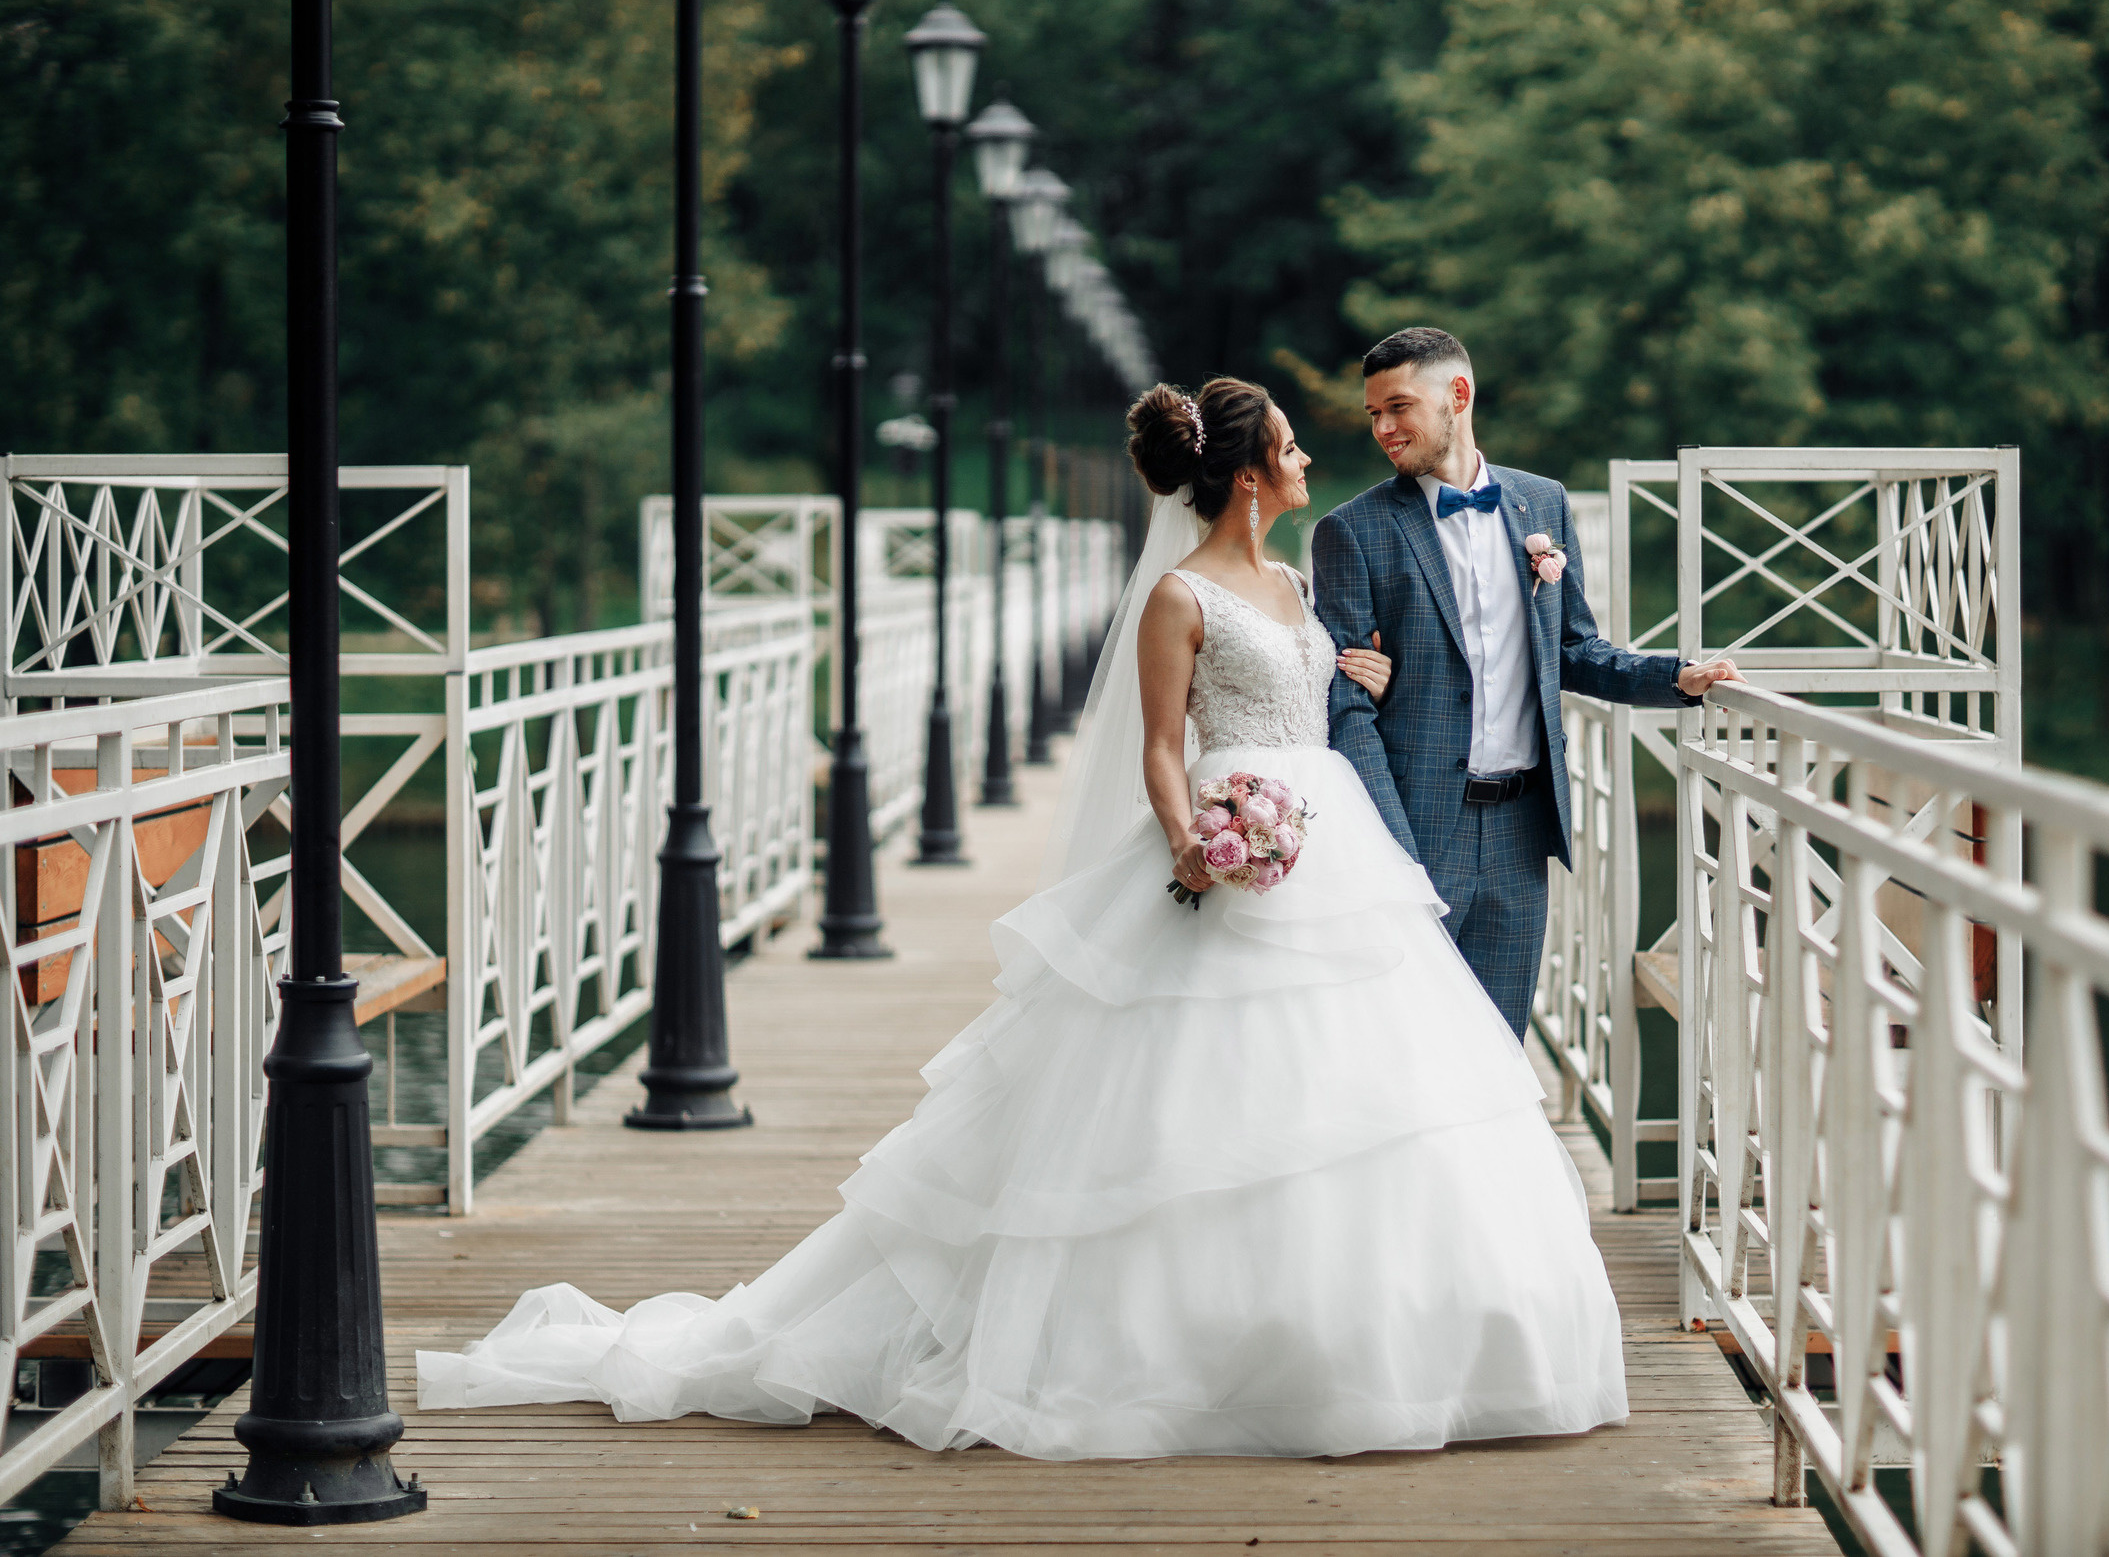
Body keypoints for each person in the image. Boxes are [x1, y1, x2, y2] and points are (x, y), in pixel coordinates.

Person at [414, 376, 1630, 1461]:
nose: (1317, 460)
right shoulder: (1177, 594)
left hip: (1332, 846)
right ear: (1252, 472)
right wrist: (1195, 847)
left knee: (1369, 1095)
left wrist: (1354, 674)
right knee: (1188, 1102)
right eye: (1298, 449)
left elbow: (1331, 677)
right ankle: (1173, 1346)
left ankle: (1374, 1327)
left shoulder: (1299, 582)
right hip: (1229, 843)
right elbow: (1163, 747)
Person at [1313, 327, 1742, 1039]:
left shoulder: (1541, 504)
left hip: (1520, 832)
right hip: (1415, 826)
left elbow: (1573, 649)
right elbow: (1348, 707)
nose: (1384, 428)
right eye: (1373, 415)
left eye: (1398, 407)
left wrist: (1677, 679)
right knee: (1405, 1046)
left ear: (1458, 394)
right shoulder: (1352, 531)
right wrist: (1393, 846)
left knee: (1500, 1049)